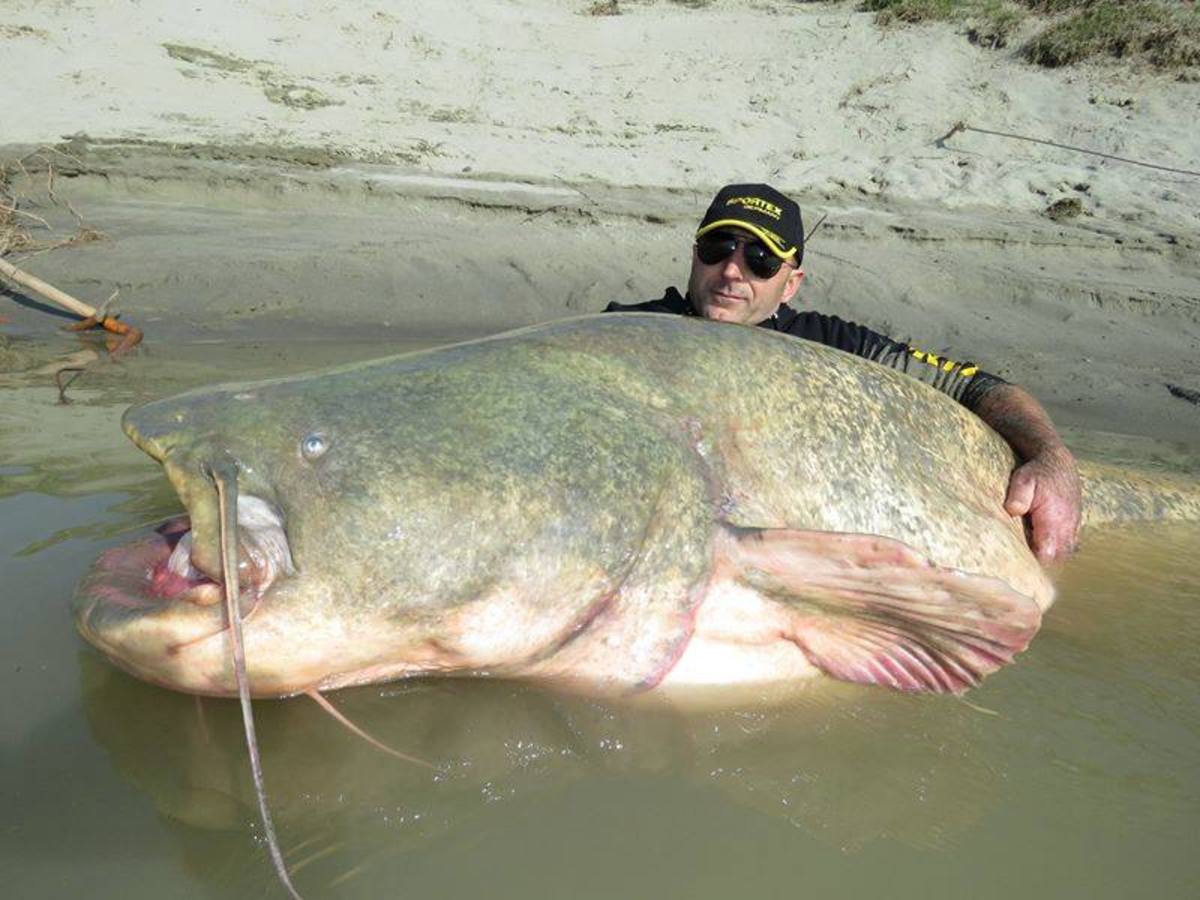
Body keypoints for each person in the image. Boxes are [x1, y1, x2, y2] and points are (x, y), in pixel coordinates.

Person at [604, 183, 1081, 563]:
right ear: (695, 256)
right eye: (718, 247)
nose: (732, 271)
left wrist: (1052, 458)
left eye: (760, 260)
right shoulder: (623, 331)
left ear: (790, 284)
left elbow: (974, 385)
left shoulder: (832, 344)